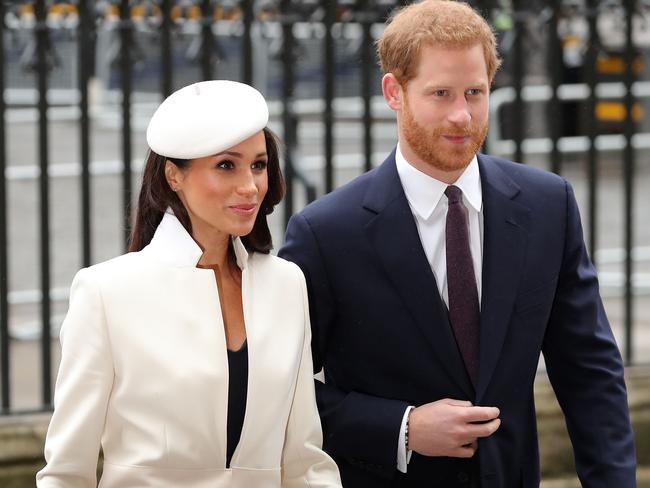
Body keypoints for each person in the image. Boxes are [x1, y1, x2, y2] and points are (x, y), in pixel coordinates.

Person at [278, 1, 636, 487]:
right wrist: (402, 428)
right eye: (440, 93)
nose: (462, 115)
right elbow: (279, 393)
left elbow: (589, 371)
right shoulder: (326, 232)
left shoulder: (547, 205)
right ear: (394, 92)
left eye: (475, 92)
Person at [36, 80, 342, 488]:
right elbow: (65, 474)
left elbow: (305, 461)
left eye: (259, 164)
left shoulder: (286, 285)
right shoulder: (105, 293)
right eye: (226, 165)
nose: (250, 186)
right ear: (174, 176)